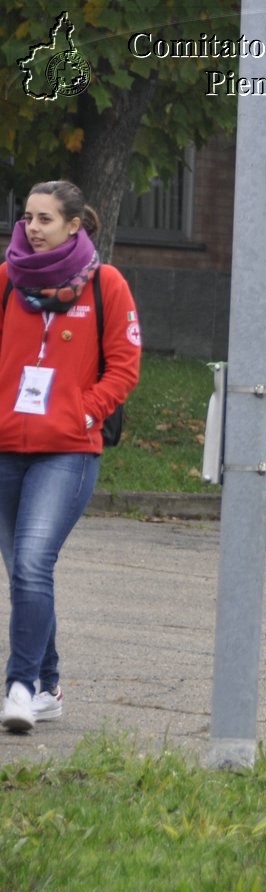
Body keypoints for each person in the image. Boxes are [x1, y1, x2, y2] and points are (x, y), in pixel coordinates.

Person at [0, 180, 141, 734]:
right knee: (23, 573)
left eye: (46, 219)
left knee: (33, 564)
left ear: (74, 225)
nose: (32, 228)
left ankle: (20, 685)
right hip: (6, 447)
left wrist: (85, 411)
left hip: (68, 451)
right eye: (28, 217)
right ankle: (50, 685)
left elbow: (124, 366)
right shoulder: (8, 280)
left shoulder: (106, 284)